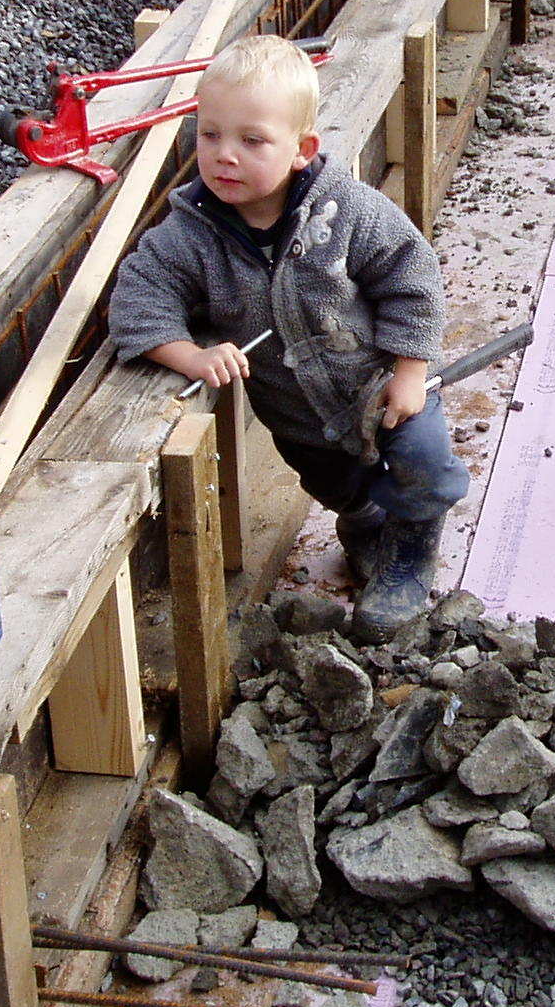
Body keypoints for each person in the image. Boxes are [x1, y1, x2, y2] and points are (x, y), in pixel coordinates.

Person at [109, 34, 467, 641]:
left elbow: (412, 275)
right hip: (300, 419)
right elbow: (138, 300)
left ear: (302, 150)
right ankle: (363, 523)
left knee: (425, 468)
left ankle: (408, 557)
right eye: (211, 134)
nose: (225, 155)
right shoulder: (190, 235)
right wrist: (191, 355)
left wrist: (409, 371)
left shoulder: (347, 210)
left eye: (252, 141)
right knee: (337, 486)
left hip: (385, 389)